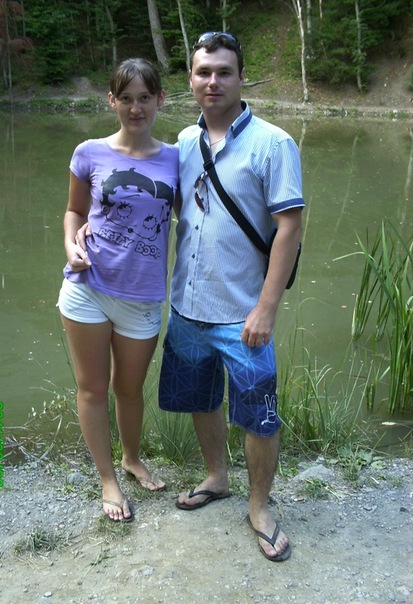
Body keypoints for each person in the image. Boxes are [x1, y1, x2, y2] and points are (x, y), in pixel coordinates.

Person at [158, 32, 304, 561]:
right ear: (191, 80)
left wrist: (267, 307)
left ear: (242, 77)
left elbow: (289, 227)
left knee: (259, 415)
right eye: (203, 72)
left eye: (224, 72)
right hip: (187, 306)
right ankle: (217, 477)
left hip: (244, 313)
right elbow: (172, 208)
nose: (213, 81)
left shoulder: (274, 144)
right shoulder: (182, 141)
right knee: (201, 398)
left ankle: (259, 507)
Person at [58, 58, 179, 522]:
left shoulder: (177, 158)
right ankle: (108, 478)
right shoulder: (88, 152)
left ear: (160, 99)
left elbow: (194, 217)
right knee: (92, 389)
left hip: (143, 296)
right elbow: (74, 211)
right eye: (126, 98)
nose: (135, 108)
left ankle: (131, 458)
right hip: (87, 286)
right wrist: (71, 245)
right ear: (111, 101)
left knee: (129, 389)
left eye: (144, 98)